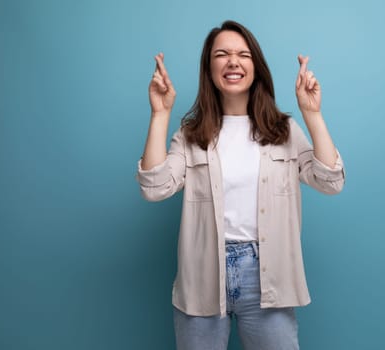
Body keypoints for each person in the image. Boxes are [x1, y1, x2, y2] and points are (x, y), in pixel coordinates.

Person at [136, 20, 345, 350]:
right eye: (222, 54)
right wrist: (160, 114)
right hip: (202, 275)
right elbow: (154, 187)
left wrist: (312, 114)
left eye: (242, 54)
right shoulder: (190, 135)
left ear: (255, 66)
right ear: (210, 68)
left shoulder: (284, 131)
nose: (233, 61)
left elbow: (330, 181)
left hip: (268, 276)